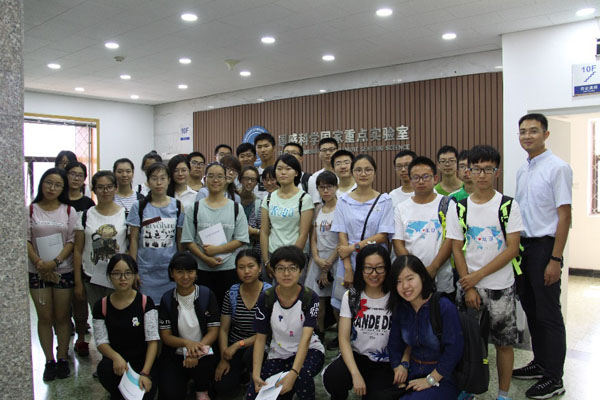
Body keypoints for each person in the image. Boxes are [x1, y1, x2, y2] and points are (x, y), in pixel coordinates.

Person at [446, 145, 523, 400]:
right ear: (467, 171)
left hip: (501, 287)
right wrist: (468, 286)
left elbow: (512, 249)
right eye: (476, 169)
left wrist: (477, 277)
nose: (481, 175)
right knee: (468, 341)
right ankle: (468, 388)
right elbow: (456, 248)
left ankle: (503, 394)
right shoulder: (459, 207)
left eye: (488, 169)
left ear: (496, 172)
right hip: (469, 288)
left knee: (504, 343)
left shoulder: (508, 205)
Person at [513, 113, 571, 399]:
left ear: (546, 134)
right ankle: (540, 363)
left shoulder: (558, 167)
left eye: (533, 131)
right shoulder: (523, 169)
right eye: (523, 131)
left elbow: (565, 216)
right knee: (532, 310)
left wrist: (555, 259)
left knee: (548, 314)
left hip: (545, 248)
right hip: (524, 248)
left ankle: (554, 377)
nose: (527, 136)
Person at [247, 246, 325, 400]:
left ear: (301, 271)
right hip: (278, 353)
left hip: (310, 350)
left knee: (302, 377)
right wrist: (256, 375)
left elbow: (306, 339)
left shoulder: (310, 297)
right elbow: (260, 338)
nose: (286, 274)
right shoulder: (266, 297)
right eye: (281, 268)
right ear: (273, 271)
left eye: (292, 268)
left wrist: (294, 374)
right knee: (254, 395)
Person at [322, 244, 395, 400]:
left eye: (379, 268)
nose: (374, 274)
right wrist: (355, 374)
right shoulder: (352, 296)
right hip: (358, 356)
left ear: (387, 269)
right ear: (361, 269)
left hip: (385, 361)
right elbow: (343, 338)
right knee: (334, 377)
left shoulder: (395, 296)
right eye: (368, 268)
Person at [388, 255, 464, 399]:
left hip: (443, 376)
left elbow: (454, 350)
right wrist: (398, 367)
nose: (405, 286)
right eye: (399, 281)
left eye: (410, 279)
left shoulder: (443, 307)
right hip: (412, 370)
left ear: (422, 277)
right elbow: (394, 344)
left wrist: (431, 379)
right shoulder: (401, 309)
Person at [27, 168, 77, 381]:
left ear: (63, 188)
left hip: (63, 270)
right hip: (37, 271)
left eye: (57, 185)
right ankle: (49, 360)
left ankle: (62, 356)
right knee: (45, 317)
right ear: (42, 183)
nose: (52, 188)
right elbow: (25, 239)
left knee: (62, 316)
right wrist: (39, 263)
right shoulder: (31, 209)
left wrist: (55, 262)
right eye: (48, 182)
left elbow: (72, 241)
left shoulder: (69, 211)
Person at [330, 154, 394, 311]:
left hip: (375, 261)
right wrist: (348, 268)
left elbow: (382, 236)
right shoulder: (343, 201)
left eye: (368, 170)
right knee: (348, 304)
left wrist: (354, 247)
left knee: (375, 303)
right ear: (352, 172)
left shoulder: (384, 200)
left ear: (375, 172)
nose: (363, 174)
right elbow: (342, 235)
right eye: (358, 170)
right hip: (348, 260)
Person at [92, 254, 159, 400]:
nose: (123, 278)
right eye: (117, 273)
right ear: (109, 276)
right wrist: (116, 357)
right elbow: (101, 341)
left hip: (143, 364)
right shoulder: (101, 305)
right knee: (104, 369)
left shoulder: (145, 302)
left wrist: (145, 373)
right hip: (117, 364)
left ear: (135, 275)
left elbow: (153, 340)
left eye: (128, 273)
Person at [182, 162, 249, 304]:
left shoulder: (236, 208)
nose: (215, 180)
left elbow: (241, 239)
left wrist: (217, 250)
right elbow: (188, 240)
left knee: (227, 309)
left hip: (229, 268)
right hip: (201, 269)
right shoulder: (194, 208)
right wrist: (205, 258)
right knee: (203, 309)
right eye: (211, 176)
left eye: (219, 176)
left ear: (225, 179)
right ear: (205, 179)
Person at [158, 252, 220, 400]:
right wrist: (187, 344)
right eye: (180, 272)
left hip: (203, 351)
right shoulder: (167, 299)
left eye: (190, 271)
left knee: (208, 378)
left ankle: (201, 389)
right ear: (172, 274)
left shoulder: (206, 295)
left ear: (196, 273)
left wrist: (195, 351)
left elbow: (213, 331)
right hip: (176, 354)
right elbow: (166, 337)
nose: (185, 276)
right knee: (171, 394)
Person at [392, 156, 454, 296]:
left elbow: (451, 239)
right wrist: (413, 272)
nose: (421, 181)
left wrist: (433, 268)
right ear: (410, 180)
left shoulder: (447, 204)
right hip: (409, 281)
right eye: (416, 177)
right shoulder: (401, 208)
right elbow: (398, 243)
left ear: (435, 178)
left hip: (442, 279)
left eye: (426, 177)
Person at [214, 250, 271, 397]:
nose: (246, 271)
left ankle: (252, 374)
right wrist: (224, 357)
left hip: (260, 344)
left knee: (250, 356)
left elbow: (266, 332)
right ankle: (243, 374)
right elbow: (223, 329)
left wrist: (238, 345)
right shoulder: (232, 293)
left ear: (260, 268)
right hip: (234, 345)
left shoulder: (269, 293)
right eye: (241, 267)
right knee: (222, 387)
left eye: (251, 266)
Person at [127, 162, 184, 305]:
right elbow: (133, 241)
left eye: (162, 178)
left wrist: (181, 269)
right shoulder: (139, 206)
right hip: (145, 271)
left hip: (170, 272)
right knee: (147, 309)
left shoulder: (177, 206)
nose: (159, 183)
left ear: (169, 180)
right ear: (148, 181)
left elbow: (179, 241)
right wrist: (133, 271)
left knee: (169, 309)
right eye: (154, 178)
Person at [74, 169, 128, 318]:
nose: (105, 191)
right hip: (92, 276)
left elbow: (131, 247)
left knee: (119, 317)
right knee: (98, 317)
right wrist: (78, 282)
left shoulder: (126, 214)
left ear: (116, 188)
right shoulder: (86, 215)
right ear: (94, 189)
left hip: (119, 277)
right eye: (100, 187)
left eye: (109, 187)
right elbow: (77, 250)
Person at [260, 154, 314, 275]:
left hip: (296, 257)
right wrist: (266, 261)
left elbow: (303, 234)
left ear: (296, 173)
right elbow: (264, 231)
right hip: (272, 255)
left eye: (288, 169)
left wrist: (289, 262)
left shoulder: (304, 199)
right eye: (279, 169)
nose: (283, 172)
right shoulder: (268, 198)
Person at [65, 161, 95, 356]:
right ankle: (62, 343)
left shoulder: (88, 204)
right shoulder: (59, 201)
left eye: (80, 175)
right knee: (62, 306)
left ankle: (81, 338)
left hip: (81, 254)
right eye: (72, 174)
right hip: (59, 255)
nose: (76, 178)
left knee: (80, 300)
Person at [305, 171, 338, 337]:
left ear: (336, 188)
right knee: (317, 301)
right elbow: (313, 237)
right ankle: (320, 333)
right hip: (319, 260)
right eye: (321, 187)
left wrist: (328, 265)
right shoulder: (318, 209)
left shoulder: (342, 209)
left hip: (336, 260)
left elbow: (343, 239)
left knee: (337, 303)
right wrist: (317, 258)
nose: (325, 191)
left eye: (329, 187)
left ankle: (340, 337)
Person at [239, 166, 262, 258]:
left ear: (256, 182)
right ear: (240, 180)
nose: (249, 182)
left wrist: (253, 231)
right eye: (246, 178)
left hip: (250, 248)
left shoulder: (258, 203)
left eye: (252, 180)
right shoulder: (233, 198)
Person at [307, 138, 339, 204]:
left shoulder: (345, 175)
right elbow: (316, 202)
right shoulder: (315, 177)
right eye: (324, 150)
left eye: (331, 150)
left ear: (337, 151)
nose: (328, 153)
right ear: (319, 154)